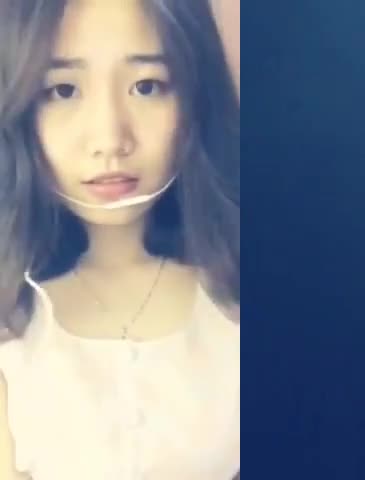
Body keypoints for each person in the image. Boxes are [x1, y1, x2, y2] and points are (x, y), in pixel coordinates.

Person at [0, 0, 240, 479]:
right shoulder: (11, 315)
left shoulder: (243, 291)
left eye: (146, 86)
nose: (110, 139)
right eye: (63, 90)